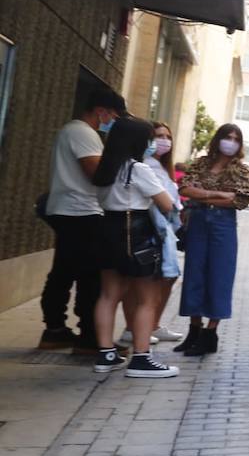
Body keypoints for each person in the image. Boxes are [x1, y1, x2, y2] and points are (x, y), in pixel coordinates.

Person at [89, 116, 179, 378]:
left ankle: (105, 354)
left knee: (108, 295)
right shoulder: (138, 169)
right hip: (136, 233)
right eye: (150, 139)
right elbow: (166, 204)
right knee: (146, 299)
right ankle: (141, 358)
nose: (154, 144)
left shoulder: (105, 169)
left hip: (108, 230)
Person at [39, 89, 126, 353]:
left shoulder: (75, 132)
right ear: (101, 111)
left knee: (64, 271)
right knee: (90, 277)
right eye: (113, 115)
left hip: (71, 211)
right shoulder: (82, 133)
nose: (112, 121)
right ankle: (89, 336)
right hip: (80, 213)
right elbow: (95, 173)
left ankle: (55, 330)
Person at [176, 123, 249, 355]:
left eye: (235, 139)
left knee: (219, 276)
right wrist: (217, 194)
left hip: (223, 225)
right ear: (218, 139)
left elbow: (240, 201)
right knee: (194, 274)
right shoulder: (201, 163)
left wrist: (202, 196)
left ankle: (210, 334)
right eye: (227, 137)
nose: (230, 142)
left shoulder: (243, 170)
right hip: (199, 223)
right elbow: (184, 188)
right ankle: (193, 330)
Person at [142, 122, 184, 344]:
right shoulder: (145, 165)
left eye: (168, 136)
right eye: (159, 136)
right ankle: (139, 328)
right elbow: (166, 203)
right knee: (152, 280)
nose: (164, 140)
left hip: (164, 229)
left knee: (167, 277)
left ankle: (152, 325)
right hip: (152, 229)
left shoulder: (161, 167)